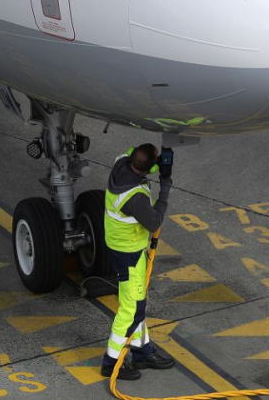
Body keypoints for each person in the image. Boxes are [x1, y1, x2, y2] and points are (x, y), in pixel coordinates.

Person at [100, 143, 175, 380]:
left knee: (138, 300)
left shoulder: (120, 162)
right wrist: (164, 189)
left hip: (125, 246)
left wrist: (158, 158)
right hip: (128, 253)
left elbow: (134, 151)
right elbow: (154, 222)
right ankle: (111, 362)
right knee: (132, 310)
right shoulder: (136, 197)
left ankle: (142, 351)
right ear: (151, 167)